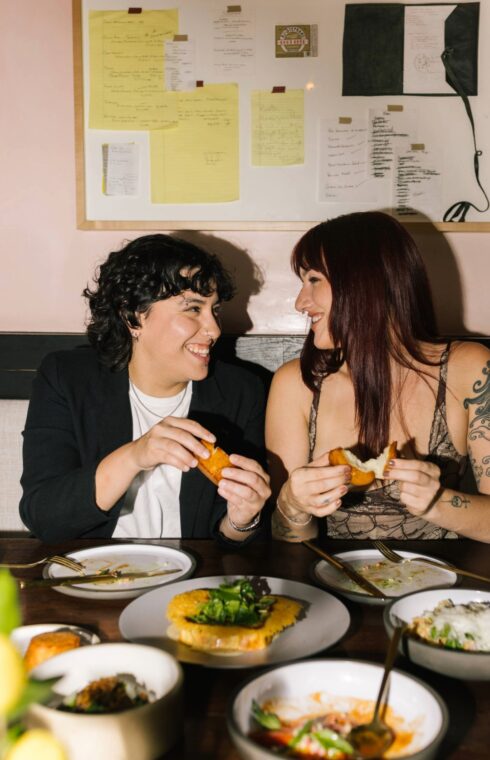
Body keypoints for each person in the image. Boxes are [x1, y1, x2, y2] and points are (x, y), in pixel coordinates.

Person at [20, 234, 271, 543]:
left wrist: (242, 520)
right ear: (132, 316)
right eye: (193, 309)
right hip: (93, 574)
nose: (215, 329)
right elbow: (43, 515)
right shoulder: (68, 378)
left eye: (214, 309)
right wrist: (135, 456)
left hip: (191, 578)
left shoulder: (241, 392)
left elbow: (231, 541)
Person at [266, 211, 490, 542]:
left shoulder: (469, 367)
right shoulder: (295, 384)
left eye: (314, 279)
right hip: (329, 584)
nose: (301, 302)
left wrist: (438, 503)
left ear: (365, 281)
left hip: (441, 588)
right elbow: (287, 542)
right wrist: (292, 505)